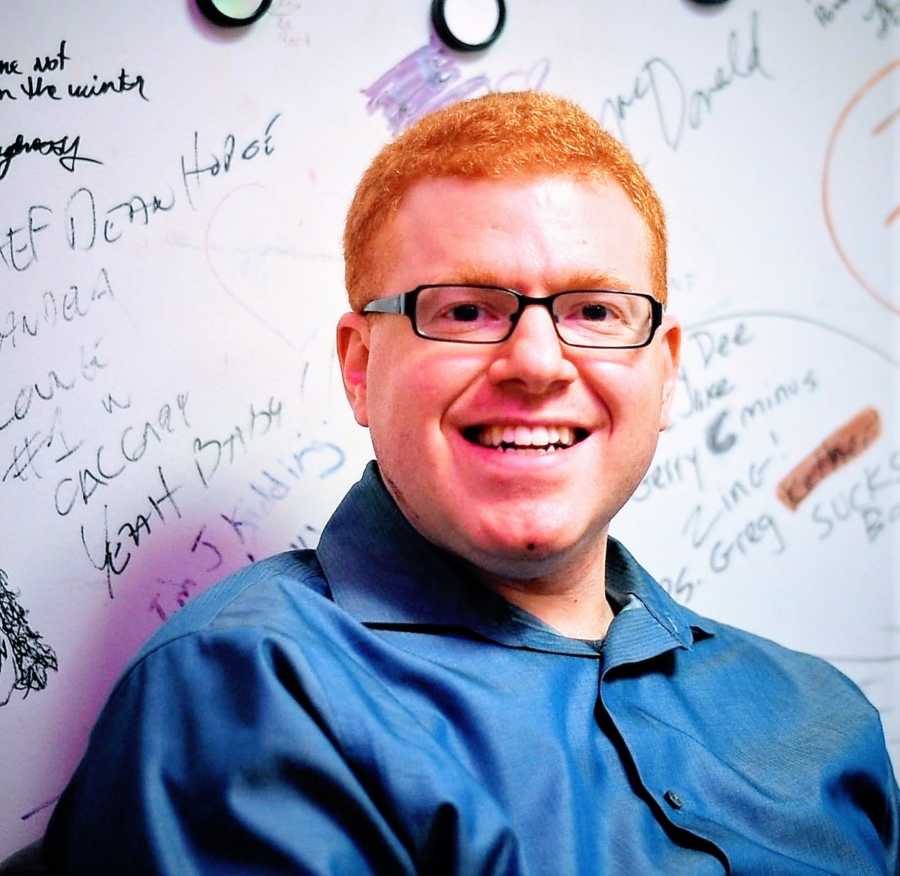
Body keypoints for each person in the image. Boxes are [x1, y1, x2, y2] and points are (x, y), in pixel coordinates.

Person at [42, 91, 898, 874]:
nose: (535, 363)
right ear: (358, 366)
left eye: (594, 311)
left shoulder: (822, 717)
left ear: (663, 373)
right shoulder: (252, 690)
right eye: (464, 310)